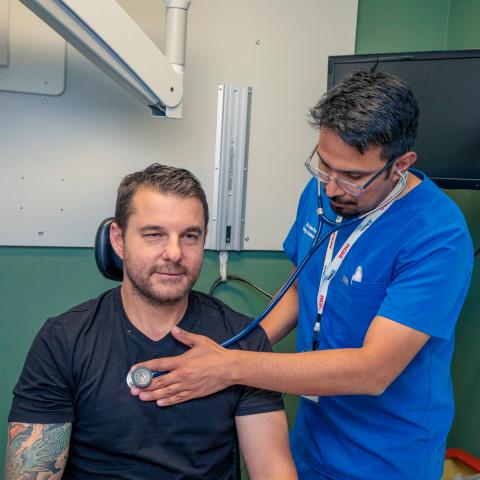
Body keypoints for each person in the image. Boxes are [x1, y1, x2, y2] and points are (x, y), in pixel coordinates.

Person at [128, 71, 474, 479]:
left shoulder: (438, 235)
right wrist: (221, 353)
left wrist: (231, 365)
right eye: (324, 166)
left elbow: (373, 370)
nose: (331, 188)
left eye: (353, 177)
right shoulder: (323, 194)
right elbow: (302, 286)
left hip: (387, 457)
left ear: (400, 165)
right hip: (311, 440)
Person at [5, 164, 297, 479]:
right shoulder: (63, 340)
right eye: (154, 234)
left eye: (189, 236)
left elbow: (273, 469)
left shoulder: (243, 344)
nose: (174, 253)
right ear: (118, 240)